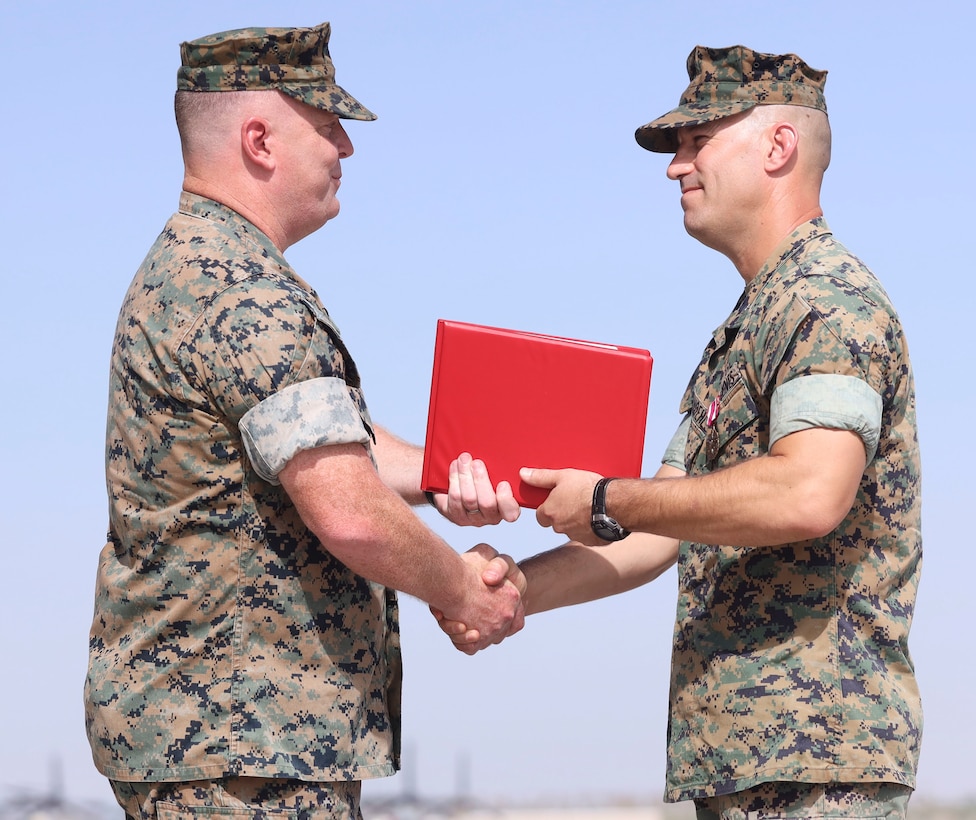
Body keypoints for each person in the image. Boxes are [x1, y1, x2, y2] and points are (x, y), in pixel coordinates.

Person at [441, 45, 923, 819]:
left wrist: (607, 496)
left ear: (778, 147)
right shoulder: (750, 323)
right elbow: (658, 526)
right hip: (745, 763)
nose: (675, 167)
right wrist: (513, 590)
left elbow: (808, 491)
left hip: (814, 763)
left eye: (698, 141)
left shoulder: (826, 301)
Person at [85, 22, 523, 820]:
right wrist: (462, 586)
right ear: (259, 139)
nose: (345, 151)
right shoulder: (244, 292)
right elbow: (348, 512)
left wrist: (440, 474)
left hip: (215, 735)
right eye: (326, 128)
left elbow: (327, 447)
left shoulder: (198, 269)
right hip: (242, 742)